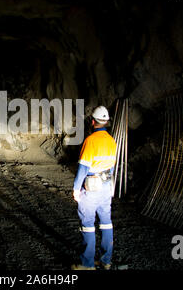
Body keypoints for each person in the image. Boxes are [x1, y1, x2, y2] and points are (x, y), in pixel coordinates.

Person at [71, 106, 117, 270]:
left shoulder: (90, 140)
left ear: (92, 122)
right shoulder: (112, 141)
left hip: (91, 187)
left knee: (87, 223)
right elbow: (111, 167)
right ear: (106, 122)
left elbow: (83, 168)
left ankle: (87, 264)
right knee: (106, 222)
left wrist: (76, 189)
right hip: (106, 187)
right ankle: (106, 261)